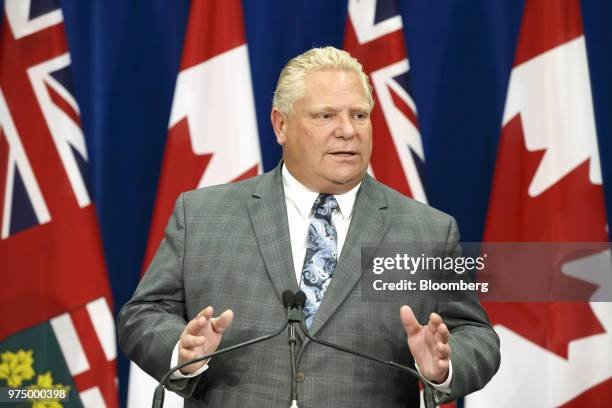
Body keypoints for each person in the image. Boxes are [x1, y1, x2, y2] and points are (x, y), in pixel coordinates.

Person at [118, 46, 500, 407]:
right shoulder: (202, 215)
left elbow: (476, 336)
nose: (348, 131)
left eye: (359, 115)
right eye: (326, 115)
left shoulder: (427, 231)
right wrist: (181, 351)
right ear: (281, 125)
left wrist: (442, 367)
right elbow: (143, 314)